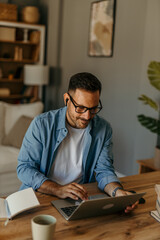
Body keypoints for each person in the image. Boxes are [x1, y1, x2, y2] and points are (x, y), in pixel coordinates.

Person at [17, 72, 137, 213]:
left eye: (93, 109)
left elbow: (104, 170)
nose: (87, 116)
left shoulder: (104, 129)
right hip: (40, 195)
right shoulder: (41, 124)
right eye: (80, 108)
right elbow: (25, 168)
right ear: (67, 99)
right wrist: (58, 189)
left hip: (79, 199)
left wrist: (117, 192)